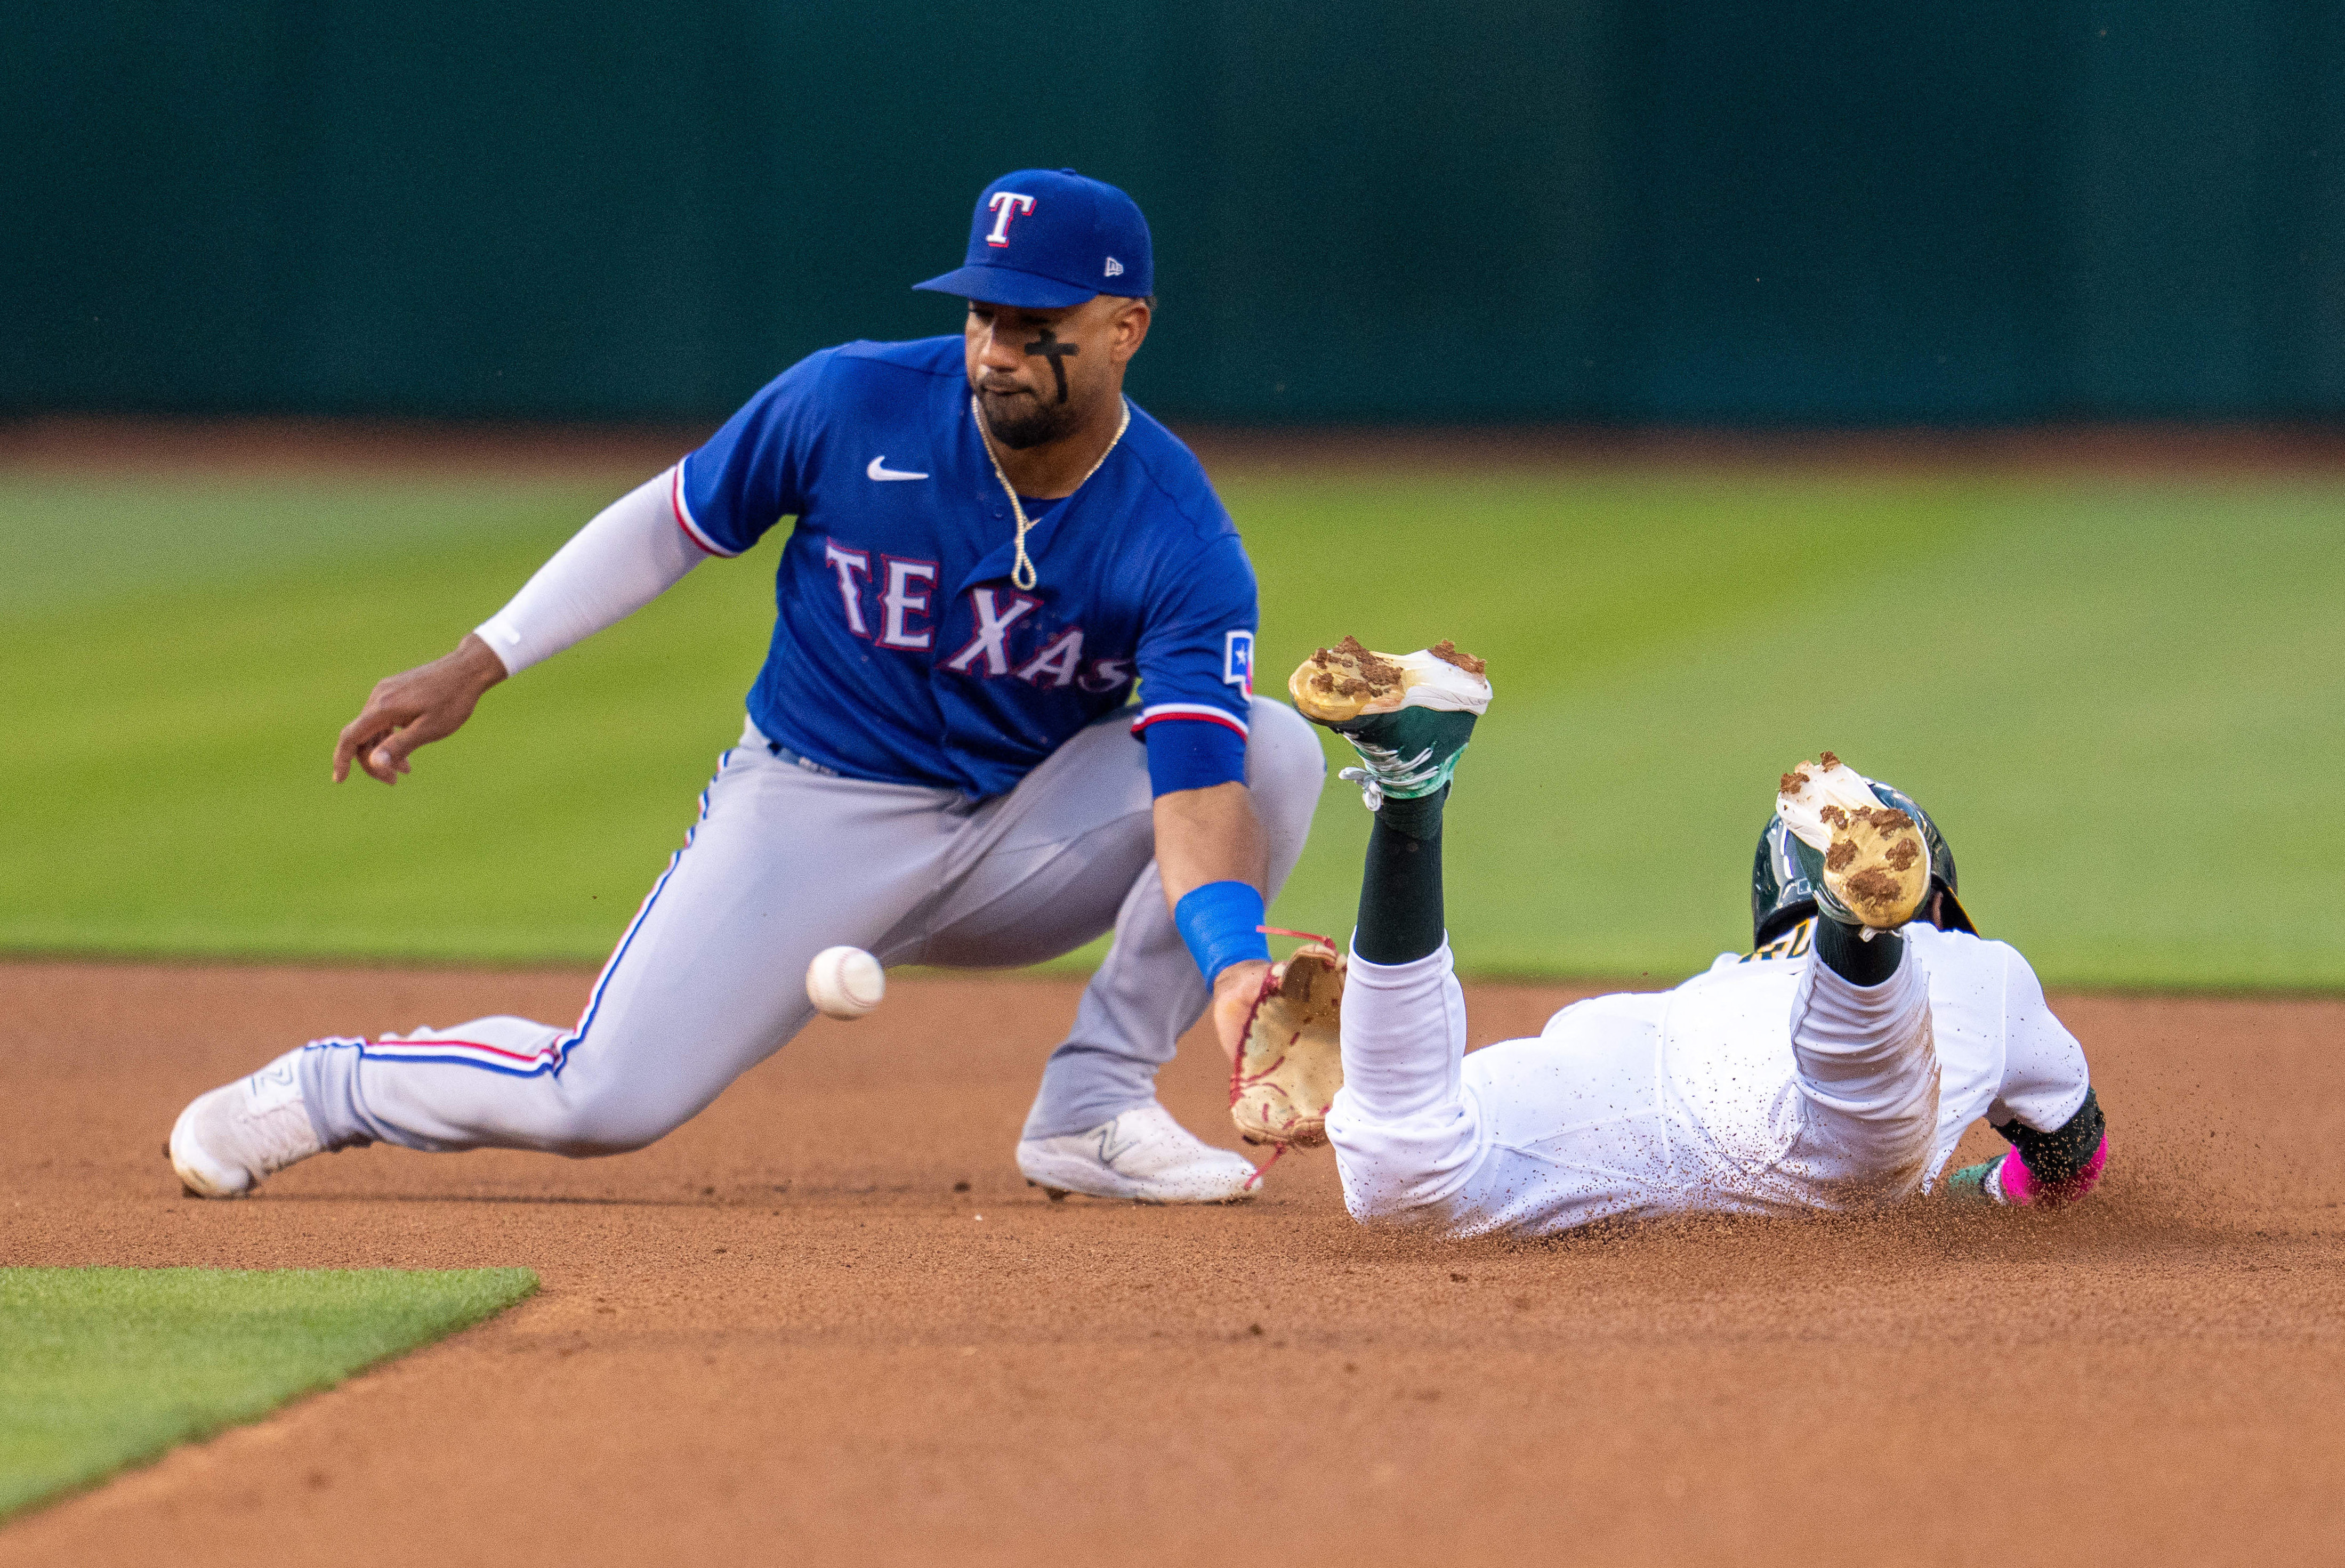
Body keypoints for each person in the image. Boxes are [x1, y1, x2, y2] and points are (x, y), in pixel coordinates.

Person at [167, 169, 1326, 1205]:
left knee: (1271, 747)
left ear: (1126, 328)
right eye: (981, 314)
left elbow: (1194, 789)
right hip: (814, 809)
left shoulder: (1178, 538)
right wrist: (483, 657)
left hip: (1029, 833)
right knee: (599, 1100)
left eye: (1037, 325)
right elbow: (670, 526)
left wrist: (1232, 966)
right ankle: (329, 1087)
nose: (996, 350)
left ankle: (1093, 1107)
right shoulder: (849, 401)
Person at [1275, 638, 2106, 1236]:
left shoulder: (1733, 973)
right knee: (1869, 1127)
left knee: (1399, 1174)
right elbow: (2074, 1154)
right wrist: (1977, 1193)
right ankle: (1860, 939)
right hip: (1803, 1129)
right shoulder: (1982, 967)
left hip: (1640, 1058)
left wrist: (1376, 1060)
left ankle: (1410, 798)